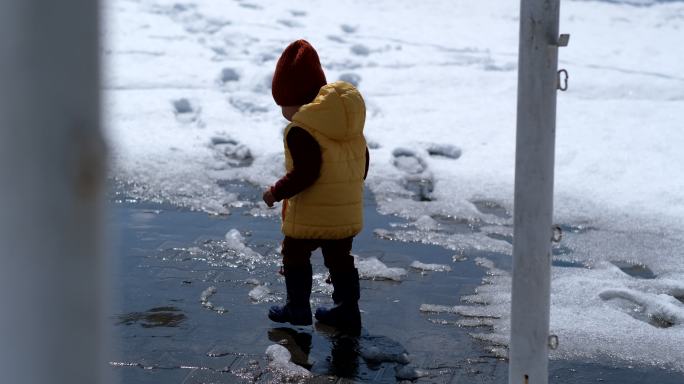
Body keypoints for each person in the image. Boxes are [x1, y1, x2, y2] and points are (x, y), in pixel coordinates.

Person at [262, 39, 369, 331]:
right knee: (339, 258)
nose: (283, 111)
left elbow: (305, 174)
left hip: (311, 212)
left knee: (294, 253)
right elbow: (363, 165)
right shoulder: (350, 126)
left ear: (294, 100)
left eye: (283, 103)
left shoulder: (301, 131)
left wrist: (275, 192)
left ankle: (297, 308)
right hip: (346, 213)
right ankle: (348, 310)